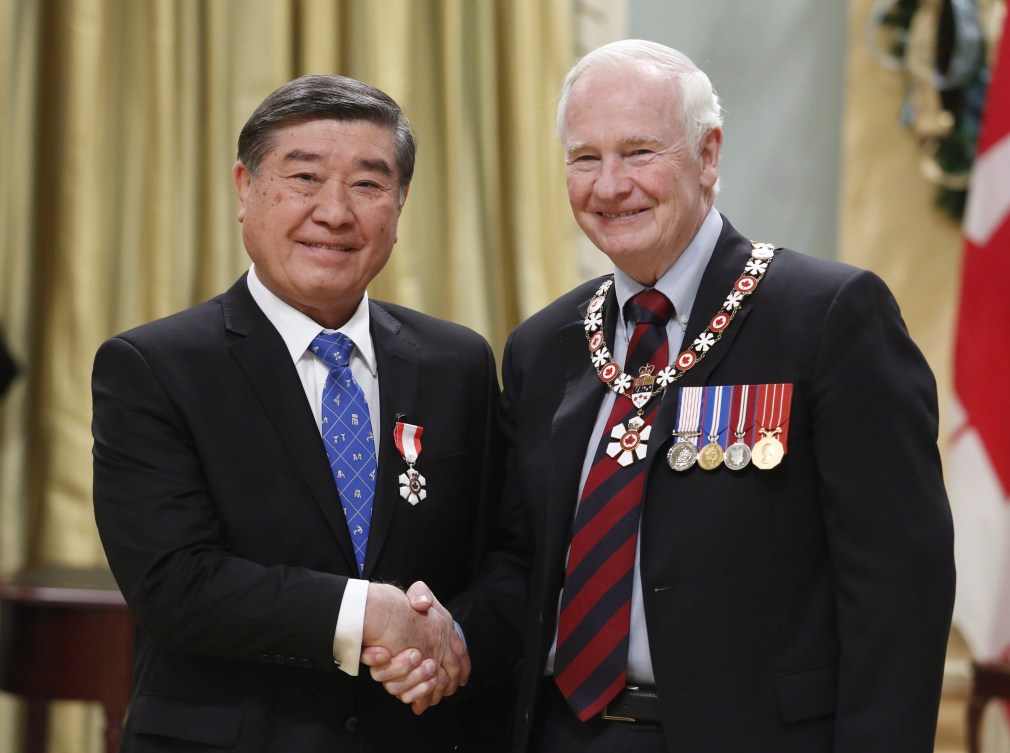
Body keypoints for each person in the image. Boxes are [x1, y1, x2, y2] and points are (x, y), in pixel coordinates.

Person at [377, 39, 956, 752]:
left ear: (708, 154)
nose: (610, 185)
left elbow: (899, 588)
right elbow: (523, 565)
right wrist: (450, 632)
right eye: (585, 158)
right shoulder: (544, 346)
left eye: (639, 152)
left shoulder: (826, 316)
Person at [92, 74, 510, 752]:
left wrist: (451, 638)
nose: (335, 212)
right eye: (305, 178)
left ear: (401, 204)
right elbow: (174, 583)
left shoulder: (456, 362)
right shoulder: (155, 367)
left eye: (369, 185)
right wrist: (366, 612)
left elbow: (507, 555)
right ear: (244, 189)